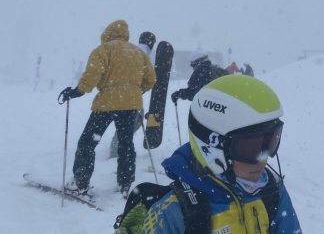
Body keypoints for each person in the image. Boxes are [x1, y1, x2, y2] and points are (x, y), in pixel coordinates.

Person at [140, 75, 302, 233]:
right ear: (211, 147)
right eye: (250, 147)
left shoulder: (270, 191)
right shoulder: (174, 213)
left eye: (270, 142)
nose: (262, 159)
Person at [59, 20, 156, 196]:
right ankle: (125, 184)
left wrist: (78, 91)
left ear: (107, 33)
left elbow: (92, 74)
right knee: (126, 144)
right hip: (131, 104)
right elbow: (151, 79)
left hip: (107, 102)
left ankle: (80, 182)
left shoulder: (103, 50)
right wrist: (134, 91)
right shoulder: (138, 53)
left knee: (87, 142)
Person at [109, 31, 156, 158]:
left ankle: (116, 149)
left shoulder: (130, 50)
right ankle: (115, 152)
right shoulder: (143, 53)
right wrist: (141, 88)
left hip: (119, 94)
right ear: (151, 43)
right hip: (131, 97)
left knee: (127, 124)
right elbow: (149, 79)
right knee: (131, 123)